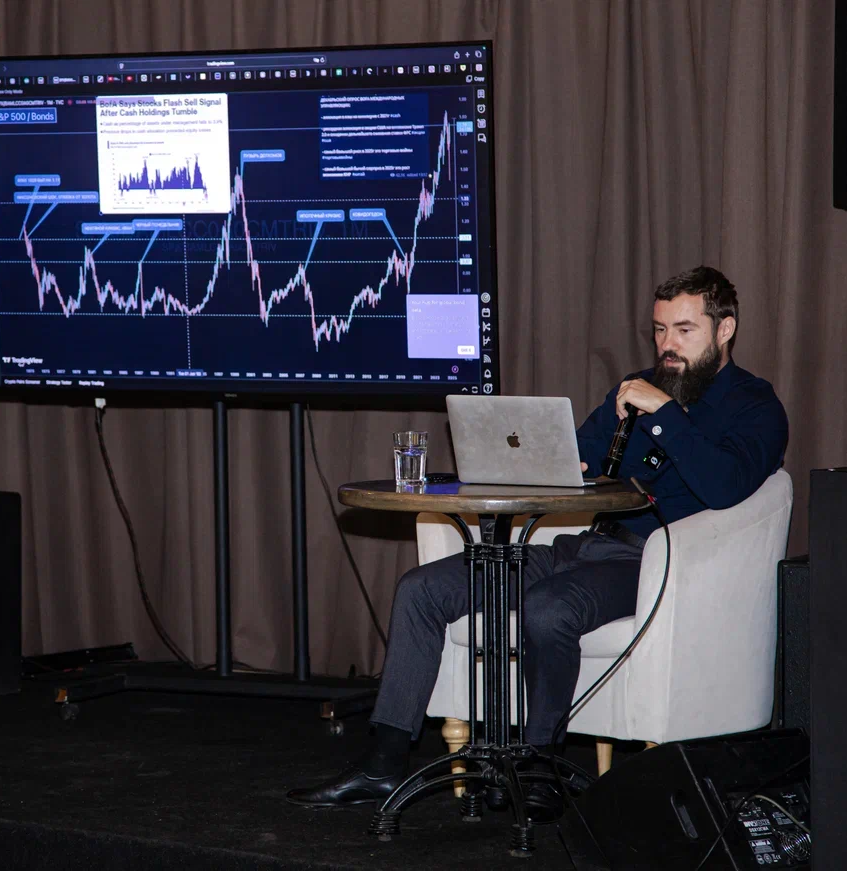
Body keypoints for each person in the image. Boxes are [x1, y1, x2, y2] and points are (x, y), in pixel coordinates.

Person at [287, 265, 789, 818]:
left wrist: (664, 414)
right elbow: (576, 456)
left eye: (685, 330)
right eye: (660, 329)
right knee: (421, 589)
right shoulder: (637, 388)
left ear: (724, 329)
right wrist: (535, 457)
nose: (667, 345)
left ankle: (538, 767)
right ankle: (383, 764)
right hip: (584, 546)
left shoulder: (754, 405)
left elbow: (725, 487)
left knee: (549, 608)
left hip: (655, 564)